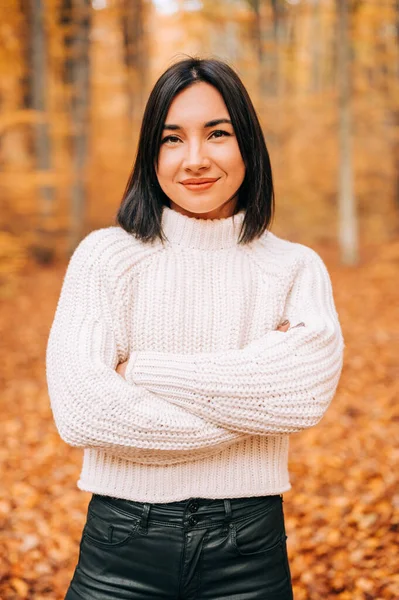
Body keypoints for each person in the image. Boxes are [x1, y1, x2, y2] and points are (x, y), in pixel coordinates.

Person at [46, 57, 344, 600]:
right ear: (150, 153)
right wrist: (254, 401)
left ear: (248, 143)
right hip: (120, 546)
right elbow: (82, 410)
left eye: (218, 134)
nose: (196, 159)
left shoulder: (295, 267)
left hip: (249, 551)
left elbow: (301, 396)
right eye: (172, 139)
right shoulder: (106, 258)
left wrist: (140, 370)